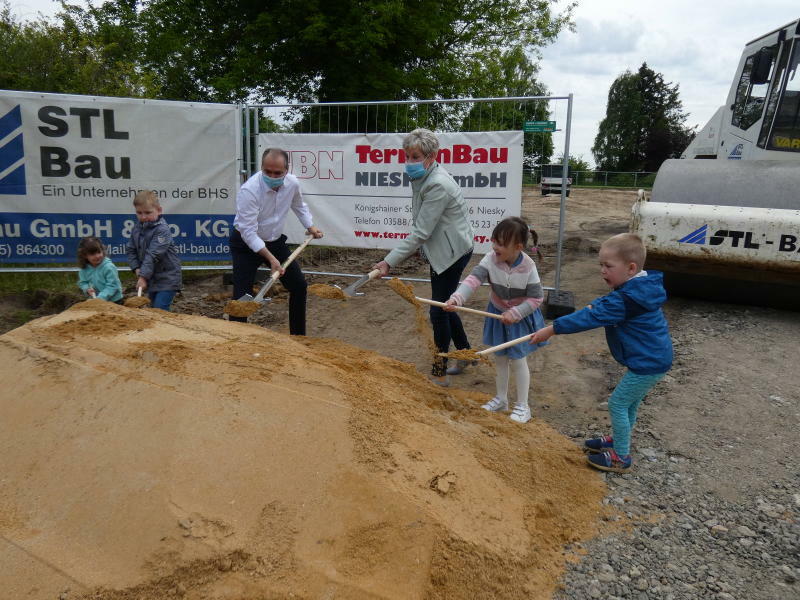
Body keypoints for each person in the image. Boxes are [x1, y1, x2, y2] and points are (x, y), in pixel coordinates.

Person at [529, 233, 673, 473]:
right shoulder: (639, 288)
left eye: (608, 266)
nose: (602, 271)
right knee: (629, 404)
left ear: (631, 268)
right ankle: (619, 441)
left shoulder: (628, 297)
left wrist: (552, 329)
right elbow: (604, 307)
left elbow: (593, 316)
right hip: (653, 359)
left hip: (648, 363)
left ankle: (621, 457)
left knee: (617, 403)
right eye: (601, 265)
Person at [372, 128, 474, 386]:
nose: (409, 161)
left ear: (431, 156)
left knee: (438, 311)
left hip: (451, 253)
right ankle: (465, 354)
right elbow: (424, 226)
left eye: (415, 156)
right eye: (407, 155)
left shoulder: (437, 183)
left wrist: (388, 261)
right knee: (446, 305)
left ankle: (440, 370)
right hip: (445, 247)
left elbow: (421, 231)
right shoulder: (424, 178)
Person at [445, 217, 546, 423]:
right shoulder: (490, 259)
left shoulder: (528, 266)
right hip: (498, 312)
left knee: (518, 360)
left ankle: (523, 406)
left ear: (518, 247)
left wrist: (516, 313)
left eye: (500, 243)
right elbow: (473, 280)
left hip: (520, 316)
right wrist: (457, 298)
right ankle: (501, 399)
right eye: (494, 241)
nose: (495, 246)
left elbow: (536, 298)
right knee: (499, 358)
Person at [230, 148, 323, 335]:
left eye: (277, 173)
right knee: (242, 296)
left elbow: (299, 205)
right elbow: (248, 232)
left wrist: (310, 225)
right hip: (246, 244)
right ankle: (237, 339)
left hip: (275, 241)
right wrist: (271, 259)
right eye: (267, 172)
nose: (272, 176)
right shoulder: (249, 190)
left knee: (298, 286)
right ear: (262, 168)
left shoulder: (292, 184)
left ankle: (298, 336)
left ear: (286, 170)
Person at [126, 190, 182, 311]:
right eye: (139, 213)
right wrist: (136, 268)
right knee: (153, 310)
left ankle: (169, 329)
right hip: (152, 278)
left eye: (148, 212)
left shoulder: (162, 230)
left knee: (160, 309)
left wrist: (143, 277)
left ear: (159, 210)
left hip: (168, 277)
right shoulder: (137, 228)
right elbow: (131, 249)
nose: (143, 216)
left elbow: (153, 255)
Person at [77, 236, 123, 303]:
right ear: (84, 255)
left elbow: (113, 286)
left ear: (103, 250)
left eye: (99, 252)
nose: (97, 256)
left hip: (114, 301)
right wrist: (87, 289)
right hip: (96, 301)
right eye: (92, 254)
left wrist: (99, 299)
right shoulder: (84, 269)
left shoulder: (109, 267)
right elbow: (83, 282)